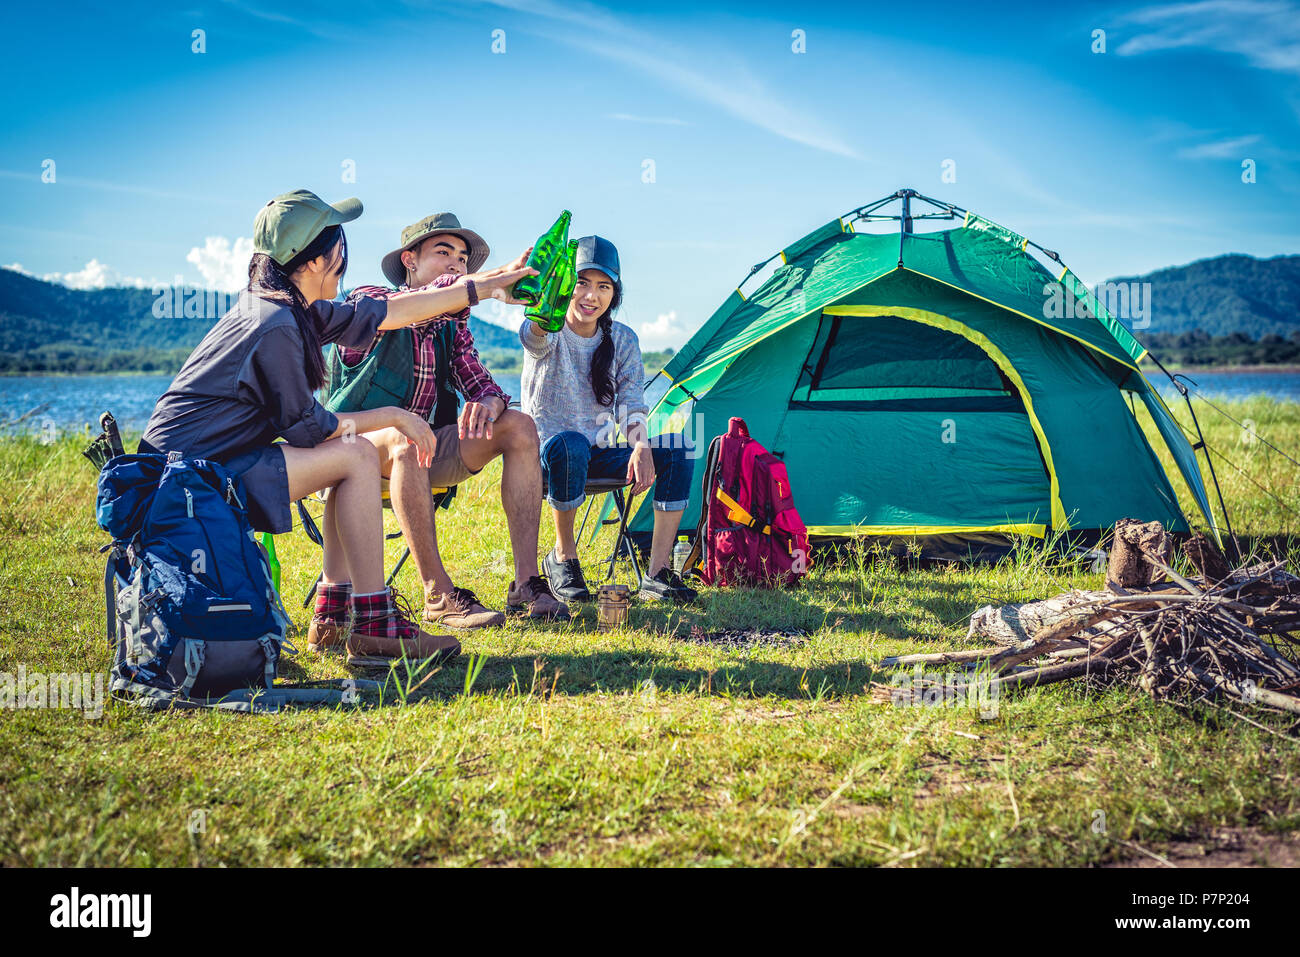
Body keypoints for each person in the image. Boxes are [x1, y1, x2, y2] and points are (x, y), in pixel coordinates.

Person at [140, 190, 535, 668]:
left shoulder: (291, 311)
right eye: (339, 246)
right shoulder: (276, 323)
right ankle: (373, 622)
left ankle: (344, 612)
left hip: (203, 466)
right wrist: (394, 416)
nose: (344, 259)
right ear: (319, 258)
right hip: (182, 481)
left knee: (355, 454)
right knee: (356, 453)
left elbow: (390, 316)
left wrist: (488, 287)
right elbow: (310, 429)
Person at [327, 213, 568, 635]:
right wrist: (487, 284)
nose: (457, 263)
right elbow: (415, 310)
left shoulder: (453, 327)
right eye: (444, 253)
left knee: (519, 426)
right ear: (409, 260)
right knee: (406, 439)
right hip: (353, 452)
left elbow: (482, 382)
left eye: (462, 258)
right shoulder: (367, 301)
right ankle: (437, 595)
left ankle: (527, 584)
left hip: (422, 454)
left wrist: (489, 404)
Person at [519, 235, 698, 604]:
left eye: (603, 286)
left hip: (597, 452)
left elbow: (631, 402)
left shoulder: (623, 339)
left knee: (679, 447)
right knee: (571, 443)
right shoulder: (549, 328)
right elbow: (532, 338)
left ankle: (657, 572)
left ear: (613, 294)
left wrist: (640, 446)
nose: (591, 296)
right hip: (549, 455)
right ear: (566, 285)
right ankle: (563, 556)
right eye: (582, 283)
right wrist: (542, 305)